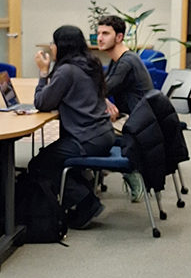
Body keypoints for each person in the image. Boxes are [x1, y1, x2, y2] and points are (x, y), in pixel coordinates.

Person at [30, 25, 115, 229]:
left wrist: (43, 73)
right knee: (56, 157)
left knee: (38, 165)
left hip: (87, 138)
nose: (51, 47)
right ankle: (83, 198)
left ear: (63, 46)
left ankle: (87, 203)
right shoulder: (91, 64)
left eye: (53, 43)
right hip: (103, 133)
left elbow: (42, 102)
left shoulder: (67, 70)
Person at [96, 15, 154, 202]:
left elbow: (99, 90)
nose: (100, 38)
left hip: (138, 125)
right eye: (98, 33)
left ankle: (128, 170)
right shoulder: (118, 60)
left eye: (105, 33)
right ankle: (97, 174)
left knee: (90, 132)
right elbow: (102, 89)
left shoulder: (126, 62)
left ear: (119, 37)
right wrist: (105, 100)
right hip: (134, 118)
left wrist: (103, 97)